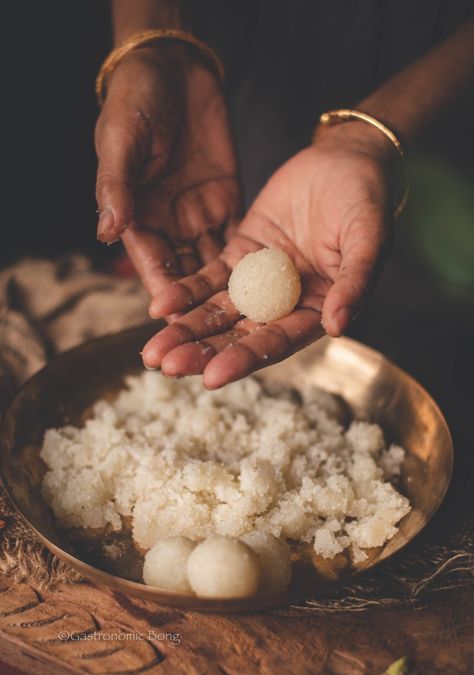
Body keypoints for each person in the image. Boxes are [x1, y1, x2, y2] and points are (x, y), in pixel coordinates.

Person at [95, 1, 474, 389]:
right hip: (252, 73)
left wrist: (365, 139)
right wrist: (153, 45)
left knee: (433, 343)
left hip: (447, 104)